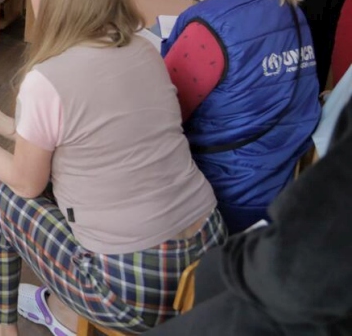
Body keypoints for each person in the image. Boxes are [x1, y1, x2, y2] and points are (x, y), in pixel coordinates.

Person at [0, 0, 223, 336]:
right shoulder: (143, 50)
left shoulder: (48, 77)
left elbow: (25, 183)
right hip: (208, 257)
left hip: (133, 292)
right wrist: (0, 123)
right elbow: (86, 135)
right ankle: (64, 315)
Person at [161, 0, 320, 234]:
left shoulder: (210, 27)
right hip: (278, 184)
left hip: (220, 195)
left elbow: (160, 118)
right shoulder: (288, 9)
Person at [147, 94, 352, 336]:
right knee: (212, 270)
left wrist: (240, 256)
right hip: (268, 192)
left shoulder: (208, 54)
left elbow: (297, 274)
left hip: (233, 201)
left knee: (216, 269)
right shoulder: (301, 56)